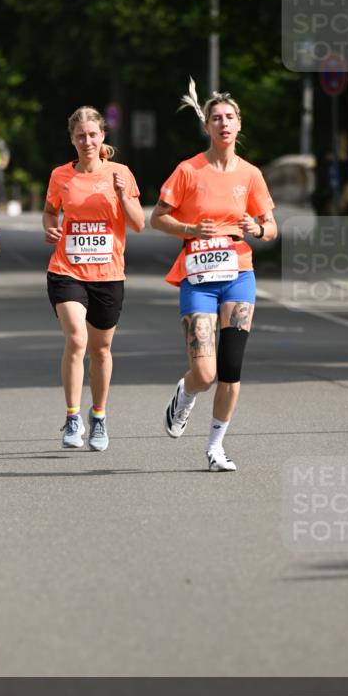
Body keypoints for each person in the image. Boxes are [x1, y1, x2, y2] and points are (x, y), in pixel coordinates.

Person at [150, 79, 277, 472]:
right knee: (205, 373)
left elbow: (270, 227)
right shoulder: (189, 171)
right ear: (206, 127)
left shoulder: (251, 175)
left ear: (239, 124)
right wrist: (191, 230)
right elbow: (157, 218)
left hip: (239, 274)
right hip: (199, 278)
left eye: (229, 117)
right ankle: (185, 394)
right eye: (216, 118)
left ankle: (215, 447)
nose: (223, 124)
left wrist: (256, 230)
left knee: (232, 367)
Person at [43, 106, 144, 451]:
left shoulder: (121, 173)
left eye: (92, 134)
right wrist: (50, 228)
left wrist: (120, 193)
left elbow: (138, 223)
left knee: (101, 349)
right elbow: (49, 212)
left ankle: (98, 416)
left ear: (103, 136)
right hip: (66, 270)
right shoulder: (60, 176)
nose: (87, 141)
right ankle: (72, 416)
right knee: (76, 338)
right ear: (72, 139)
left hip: (108, 274)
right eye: (80, 136)